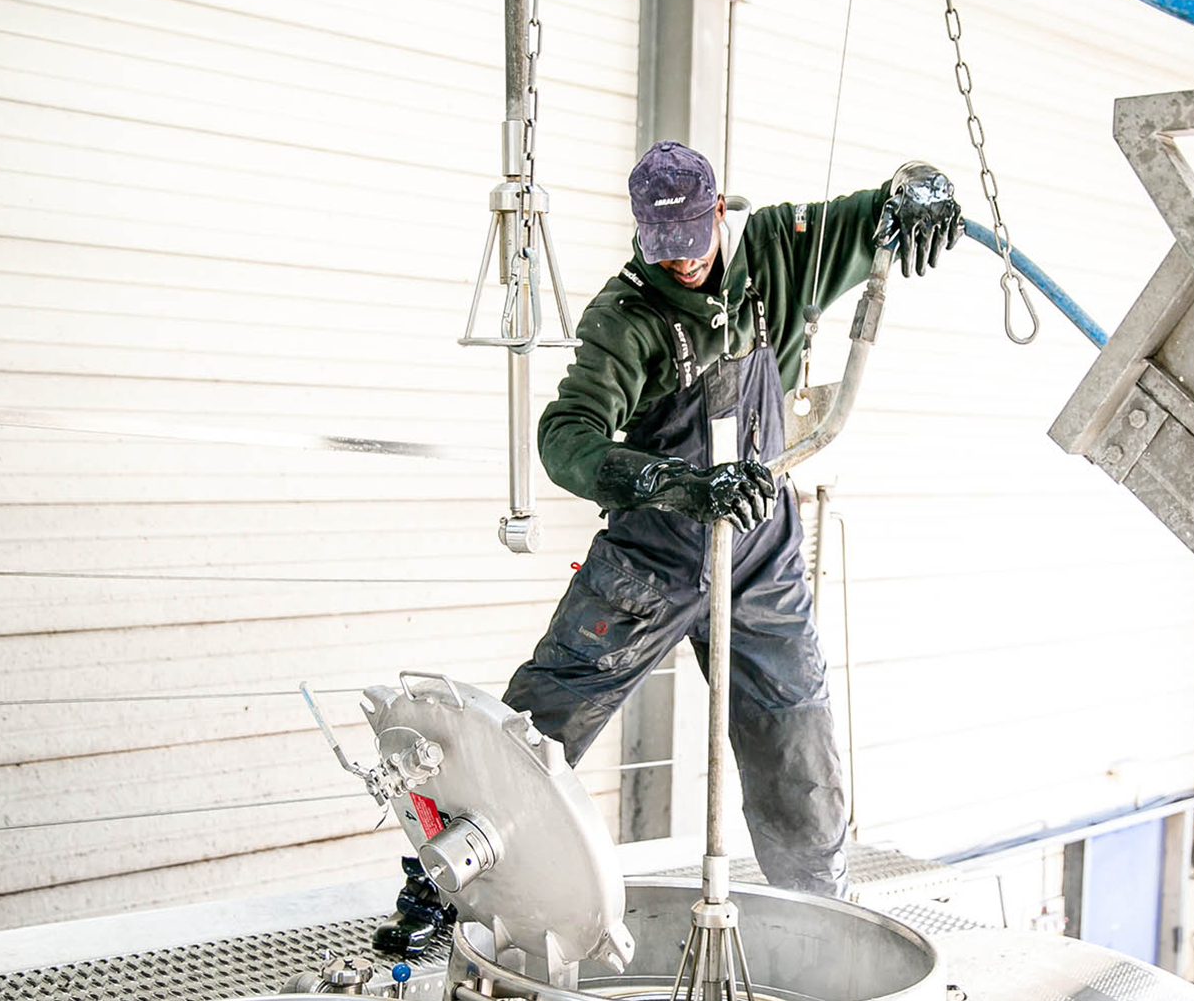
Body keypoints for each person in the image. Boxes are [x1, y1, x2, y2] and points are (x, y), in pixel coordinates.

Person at [372, 141, 963, 956]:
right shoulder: (625, 319)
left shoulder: (784, 254)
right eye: (664, 248)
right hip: (651, 557)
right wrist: (675, 486)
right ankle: (438, 891)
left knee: (796, 740)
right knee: (539, 724)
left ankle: (821, 924)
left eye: (692, 240)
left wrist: (920, 190)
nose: (681, 263)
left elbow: (882, 209)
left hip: (758, 554)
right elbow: (565, 439)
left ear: (721, 213)